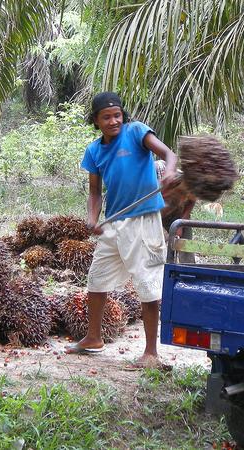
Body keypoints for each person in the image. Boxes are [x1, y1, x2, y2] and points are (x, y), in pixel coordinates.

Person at [65, 91, 178, 369]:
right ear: (96, 121)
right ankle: (93, 338)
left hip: (144, 221)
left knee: (147, 282)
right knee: (97, 278)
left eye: (117, 115)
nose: (113, 121)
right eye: (106, 117)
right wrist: (92, 218)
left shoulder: (136, 132)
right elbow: (94, 193)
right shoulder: (94, 151)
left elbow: (167, 153)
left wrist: (171, 171)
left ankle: (151, 353)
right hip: (113, 224)